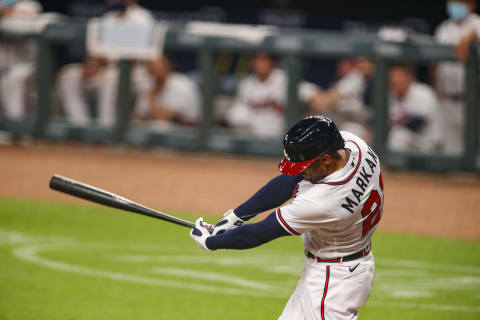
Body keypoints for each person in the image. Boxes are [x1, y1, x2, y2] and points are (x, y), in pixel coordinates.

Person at [190, 115, 384, 320]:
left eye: (304, 166)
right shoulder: (358, 147)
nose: (301, 172)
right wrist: (235, 218)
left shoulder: (323, 201)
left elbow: (260, 232)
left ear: (325, 160)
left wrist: (211, 241)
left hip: (332, 284)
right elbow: (289, 181)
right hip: (345, 268)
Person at [57, 0, 153, 127]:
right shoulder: (109, 17)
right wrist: (91, 64)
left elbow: (139, 54)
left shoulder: (142, 17)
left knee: (111, 77)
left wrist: (106, 60)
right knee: (69, 76)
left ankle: (106, 131)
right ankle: (81, 127)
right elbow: (96, 49)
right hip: (106, 68)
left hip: (135, 73)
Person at [225, 52, 319, 138]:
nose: (260, 64)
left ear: (272, 62)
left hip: (279, 134)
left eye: (264, 60)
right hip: (252, 133)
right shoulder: (247, 83)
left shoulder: (283, 79)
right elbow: (235, 115)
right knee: (238, 113)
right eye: (257, 60)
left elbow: (312, 94)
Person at [434, 0, 480, 154]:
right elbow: (434, 63)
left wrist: (469, 37)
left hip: (473, 100)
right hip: (447, 99)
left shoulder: (477, 23)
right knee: (451, 153)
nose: (455, 5)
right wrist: (437, 89)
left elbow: (476, 32)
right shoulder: (444, 28)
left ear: (471, 4)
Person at [310, 57, 374, 142]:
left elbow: (327, 101)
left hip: (357, 125)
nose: (342, 66)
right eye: (341, 62)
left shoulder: (355, 77)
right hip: (341, 122)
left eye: (347, 63)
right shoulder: (337, 79)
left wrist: (316, 98)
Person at [0, 0, 42, 121]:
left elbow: (18, 27)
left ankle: (17, 128)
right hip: (6, 62)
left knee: (14, 78)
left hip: (27, 62)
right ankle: (12, 127)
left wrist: (6, 14)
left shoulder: (30, 5)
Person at [133, 55, 201, 126]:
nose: (156, 71)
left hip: (189, 128)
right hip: (161, 130)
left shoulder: (182, 84)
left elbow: (161, 118)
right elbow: (138, 116)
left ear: (168, 66)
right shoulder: (148, 84)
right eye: (152, 69)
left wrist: (151, 96)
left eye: (159, 67)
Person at [388, 64, 440, 153]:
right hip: (411, 141)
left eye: (399, 76)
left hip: (428, 142)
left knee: (398, 135)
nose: (396, 80)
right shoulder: (392, 95)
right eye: (393, 77)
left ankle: (395, 166)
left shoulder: (423, 92)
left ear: (409, 77)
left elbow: (417, 124)